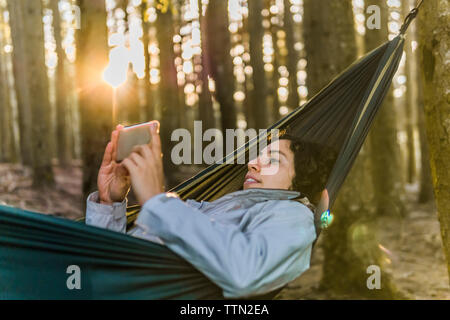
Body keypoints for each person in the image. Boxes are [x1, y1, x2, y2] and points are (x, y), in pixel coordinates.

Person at [85, 120, 331, 298]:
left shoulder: (292, 215)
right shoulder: (220, 206)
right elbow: (112, 261)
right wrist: (110, 204)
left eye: (273, 160)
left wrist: (157, 200)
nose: (253, 163)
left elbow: (246, 273)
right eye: (259, 156)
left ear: (300, 181)